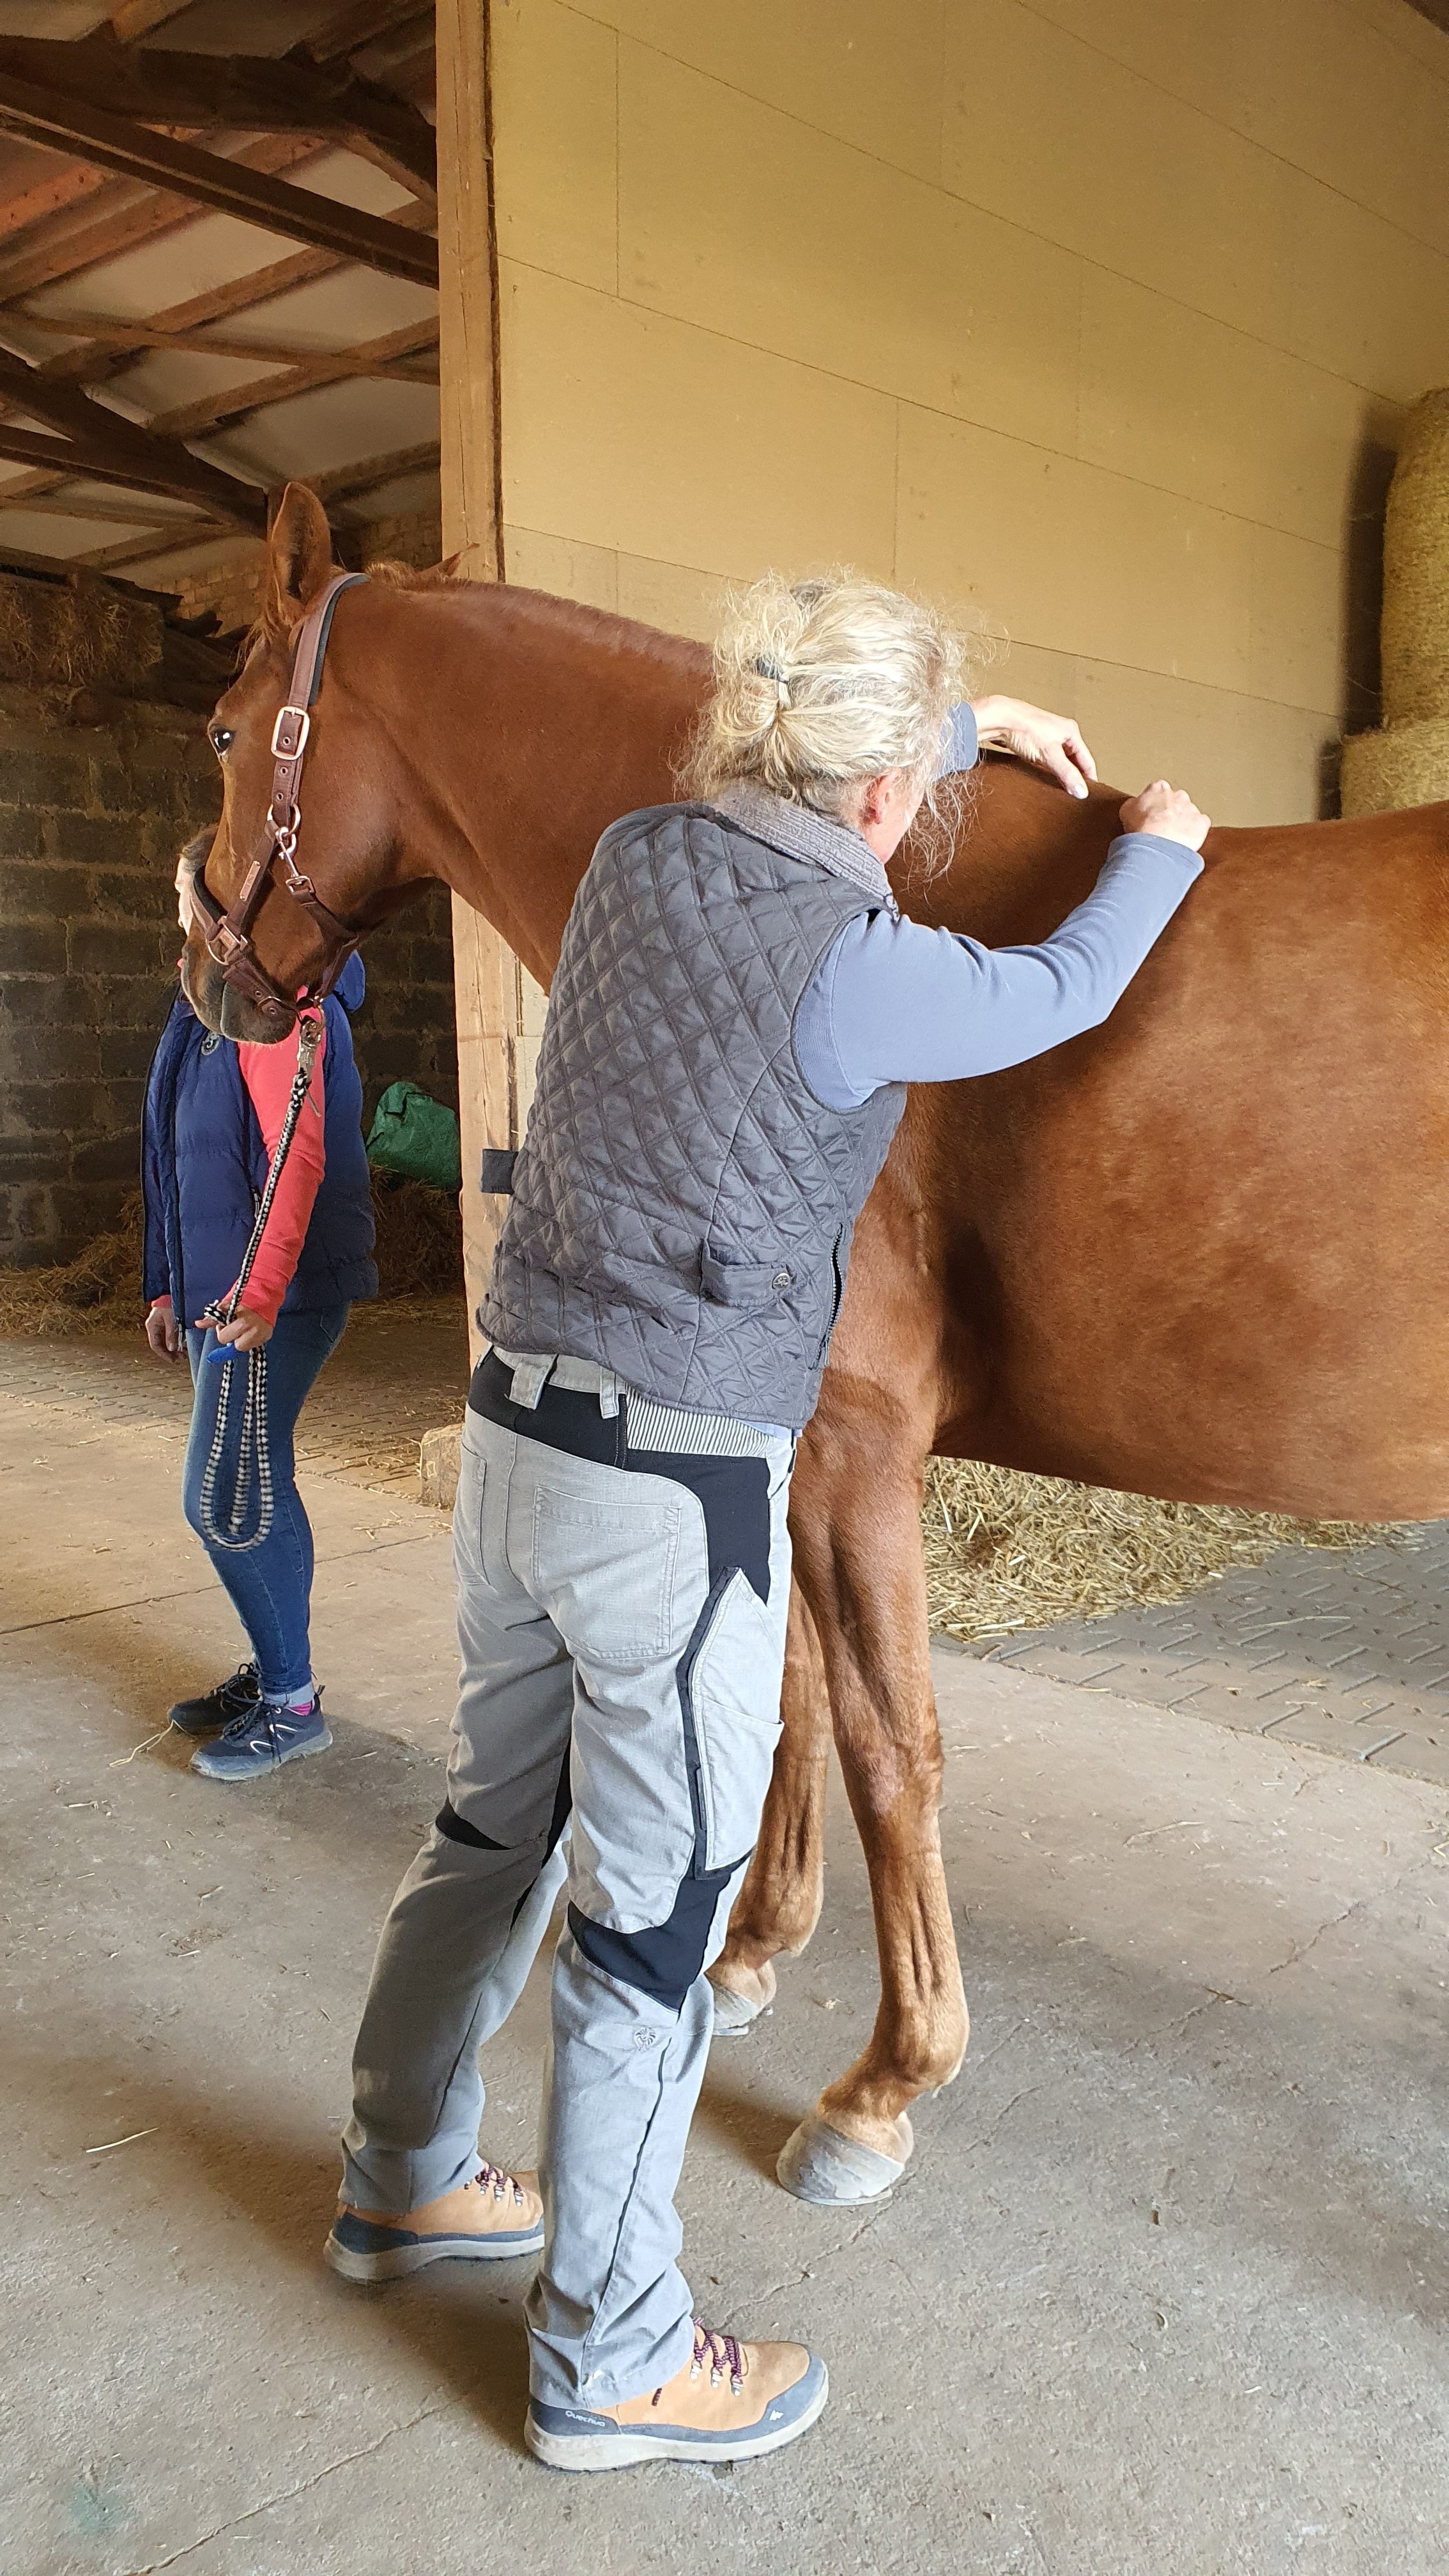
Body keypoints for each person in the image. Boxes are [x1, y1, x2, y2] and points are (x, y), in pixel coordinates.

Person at [329, 574, 1210, 2472]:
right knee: (653, 1926)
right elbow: (1065, 989)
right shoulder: (859, 959)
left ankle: (400, 2176)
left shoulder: (635, 857)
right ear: (883, 793)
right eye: (914, 779)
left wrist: (962, 730)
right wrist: (1157, 847)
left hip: (511, 1438)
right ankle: (613, 2355)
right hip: (670, 1488)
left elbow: (794, 770)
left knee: (489, 1829)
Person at [141, 951, 377, 1782]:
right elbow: (175, 1155)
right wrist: (167, 1284)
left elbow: (294, 1157)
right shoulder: (199, 1005)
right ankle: (278, 1667)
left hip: (272, 1294)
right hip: (219, 1286)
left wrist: (262, 1289)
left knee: (222, 1499)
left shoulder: (279, 1002)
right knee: (259, 1479)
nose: (188, 910)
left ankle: (292, 1705)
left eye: (193, 896)